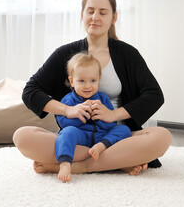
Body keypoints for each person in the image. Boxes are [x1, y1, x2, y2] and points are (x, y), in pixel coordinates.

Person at [13, 0, 172, 177]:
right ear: (82, 14)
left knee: (162, 137)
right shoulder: (64, 54)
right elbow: (30, 91)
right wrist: (67, 110)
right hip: (77, 137)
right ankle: (118, 162)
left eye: (103, 12)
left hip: (116, 138)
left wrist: (112, 115)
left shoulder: (128, 54)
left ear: (114, 17)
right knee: (22, 136)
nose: (95, 17)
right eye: (90, 11)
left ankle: (77, 165)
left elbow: (154, 95)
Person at [56, 52, 132, 182]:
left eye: (93, 80)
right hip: (81, 136)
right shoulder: (68, 101)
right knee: (67, 133)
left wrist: (100, 116)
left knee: (124, 130)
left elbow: (111, 123)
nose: (87, 86)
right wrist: (81, 116)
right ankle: (65, 163)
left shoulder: (102, 99)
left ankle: (101, 146)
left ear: (98, 80)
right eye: (81, 81)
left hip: (101, 136)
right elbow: (62, 123)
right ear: (72, 81)